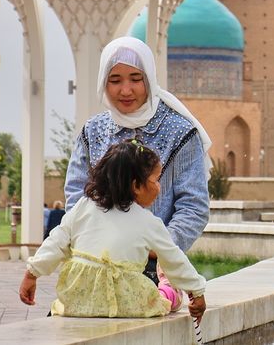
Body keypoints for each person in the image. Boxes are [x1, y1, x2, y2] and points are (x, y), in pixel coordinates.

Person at [64, 36, 212, 285]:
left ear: (149, 80)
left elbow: (193, 207)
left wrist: (158, 247)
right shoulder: (94, 130)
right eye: (115, 80)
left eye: (135, 79)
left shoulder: (179, 131)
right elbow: (75, 195)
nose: (125, 90)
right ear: (103, 82)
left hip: (153, 270)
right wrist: (94, 240)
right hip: (96, 263)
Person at [19, 140, 207, 320]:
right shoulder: (148, 222)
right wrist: (196, 291)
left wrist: (32, 273)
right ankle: (169, 289)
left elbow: (56, 242)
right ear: (136, 186)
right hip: (128, 304)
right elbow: (174, 258)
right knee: (167, 299)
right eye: (156, 180)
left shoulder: (83, 207)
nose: (159, 188)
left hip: (78, 301)